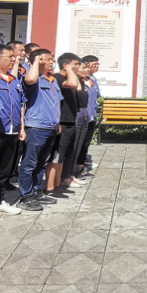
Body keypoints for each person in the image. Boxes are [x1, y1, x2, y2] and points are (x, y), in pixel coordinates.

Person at [14, 49, 61, 211]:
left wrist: (58, 123)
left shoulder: (52, 80)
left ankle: (36, 191)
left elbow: (56, 104)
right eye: (48, 59)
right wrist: (35, 62)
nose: (52, 61)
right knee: (29, 164)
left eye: (52, 59)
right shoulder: (33, 78)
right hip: (36, 127)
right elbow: (30, 79)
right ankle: (26, 197)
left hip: (51, 127)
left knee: (42, 163)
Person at [0, 45, 26, 216]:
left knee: (3, 171)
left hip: (12, 131)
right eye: (10, 56)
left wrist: (21, 127)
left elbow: (21, 104)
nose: (14, 60)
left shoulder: (13, 80)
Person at [47, 53, 83, 196]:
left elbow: (78, 87)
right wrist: (69, 69)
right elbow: (74, 85)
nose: (77, 67)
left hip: (70, 121)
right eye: (75, 65)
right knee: (56, 156)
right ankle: (50, 188)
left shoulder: (68, 78)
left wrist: (71, 71)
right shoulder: (57, 78)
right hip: (62, 122)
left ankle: (58, 184)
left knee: (62, 156)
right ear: (65, 65)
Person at [74, 55, 101, 179]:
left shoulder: (92, 80)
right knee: (77, 145)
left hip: (91, 116)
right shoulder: (76, 81)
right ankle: (71, 171)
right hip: (79, 117)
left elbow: (97, 96)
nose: (97, 67)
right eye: (95, 64)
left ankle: (80, 169)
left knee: (85, 144)